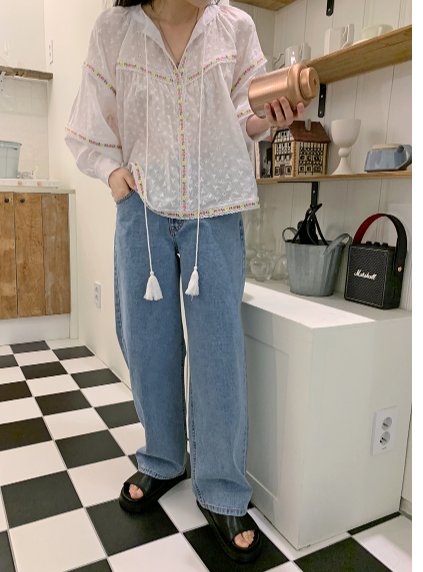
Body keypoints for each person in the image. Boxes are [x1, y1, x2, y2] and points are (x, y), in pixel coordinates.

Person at [65, 0, 304, 563]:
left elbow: (244, 114)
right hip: (142, 204)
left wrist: (269, 118)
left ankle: (221, 487)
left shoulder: (235, 27)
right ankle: (164, 458)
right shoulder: (115, 30)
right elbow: (91, 117)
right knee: (147, 342)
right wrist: (111, 172)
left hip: (215, 206)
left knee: (219, 349)